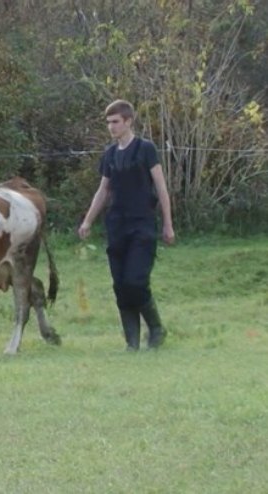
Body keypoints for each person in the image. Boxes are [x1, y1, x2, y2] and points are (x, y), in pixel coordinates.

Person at [78, 99, 175, 351]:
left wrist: (168, 224)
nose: (111, 127)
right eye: (108, 122)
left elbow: (161, 188)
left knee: (135, 280)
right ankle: (131, 342)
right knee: (120, 285)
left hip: (142, 224)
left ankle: (156, 328)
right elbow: (103, 190)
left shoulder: (146, 149)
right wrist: (88, 220)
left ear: (128, 121)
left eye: (116, 122)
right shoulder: (110, 154)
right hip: (116, 225)